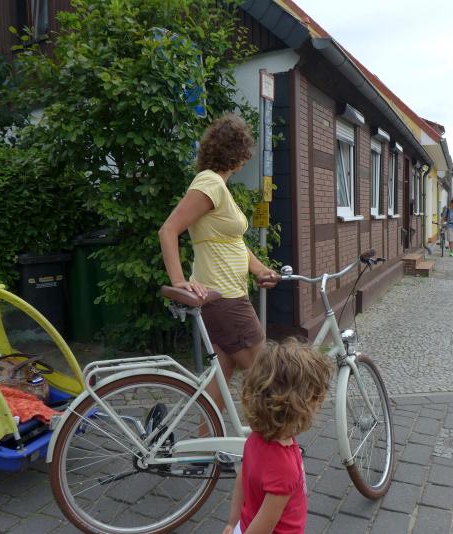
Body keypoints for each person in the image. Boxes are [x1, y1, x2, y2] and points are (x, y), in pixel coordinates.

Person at [159, 114, 279, 415]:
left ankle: (205, 443)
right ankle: (275, 440)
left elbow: (233, 243)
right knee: (267, 382)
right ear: (239, 154)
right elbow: (168, 230)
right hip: (226, 300)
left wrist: (260, 269)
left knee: (220, 379)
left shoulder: (218, 187)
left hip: (227, 296)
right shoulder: (210, 183)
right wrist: (178, 281)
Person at [224, 340, 332, 534]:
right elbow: (264, 526)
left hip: (244, 524)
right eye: (316, 399)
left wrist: (233, 522)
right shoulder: (284, 467)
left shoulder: (255, 439)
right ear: (299, 407)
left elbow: (242, 478)